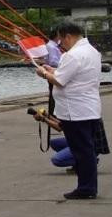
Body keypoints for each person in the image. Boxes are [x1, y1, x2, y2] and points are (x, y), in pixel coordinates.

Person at [35, 22, 103, 199]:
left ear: (68, 36)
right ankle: (88, 186)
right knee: (86, 150)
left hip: (76, 110)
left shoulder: (72, 55)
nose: (61, 44)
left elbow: (60, 81)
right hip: (88, 108)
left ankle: (86, 188)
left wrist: (44, 73)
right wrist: (53, 70)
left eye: (61, 40)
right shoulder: (92, 51)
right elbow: (71, 74)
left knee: (82, 152)